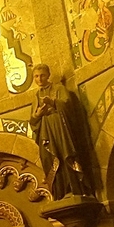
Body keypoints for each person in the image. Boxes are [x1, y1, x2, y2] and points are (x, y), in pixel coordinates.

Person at [29, 64, 93, 199]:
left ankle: (74, 188)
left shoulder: (59, 88)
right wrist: (38, 114)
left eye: (42, 75)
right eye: (36, 76)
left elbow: (69, 106)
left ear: (48, 75)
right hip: (46, 132)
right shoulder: (36, 95)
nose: (39, 79)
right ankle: (60, 191)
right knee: (49, 159)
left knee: (66, 155)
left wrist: (53, 103)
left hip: (61, 130)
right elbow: (33, 122)